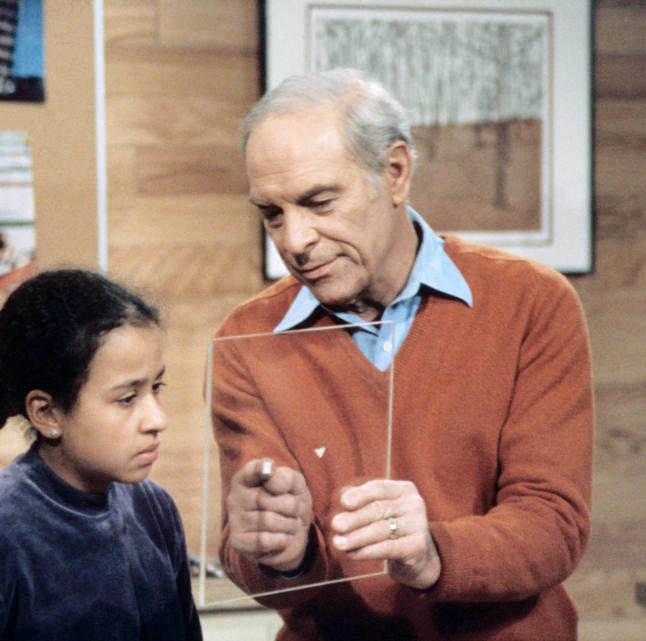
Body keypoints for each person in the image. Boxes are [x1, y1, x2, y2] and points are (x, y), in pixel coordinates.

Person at [210, 68, 593, 640]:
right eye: (272, 213)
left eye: (319, 202)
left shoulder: (532, 303)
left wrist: (433, 553)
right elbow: (252, 560)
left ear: (394, 173)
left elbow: (553, 524)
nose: (295, 240)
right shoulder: (247, 340)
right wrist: (277, 553)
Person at [0, 269, 202, 641]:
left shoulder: (155, 511)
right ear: (47, 413)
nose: (159, 419)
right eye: (127, 399)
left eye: (157, 387)